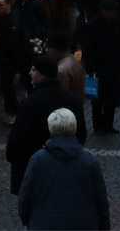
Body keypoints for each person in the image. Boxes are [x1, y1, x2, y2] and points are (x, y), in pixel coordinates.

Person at [16, 108, 110, 230]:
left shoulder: (37, 160)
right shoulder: (89, 160)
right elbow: (100, 198)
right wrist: (104, 225)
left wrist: (28, 220)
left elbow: (25, 196)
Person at [8, 55, 88, 194]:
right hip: (65, 166)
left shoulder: (30, 103)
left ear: (43, 75)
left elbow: (18, 138)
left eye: (33, 70)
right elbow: (81, 133)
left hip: (34, 168)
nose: (30, 73)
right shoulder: (72, 100)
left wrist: (13, 157)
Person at [81, 0, 120, 133]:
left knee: (111, 98)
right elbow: (88, 48)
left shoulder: (117, 23)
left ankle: (108, 124)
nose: (114, 13)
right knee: (97, 99)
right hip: (99, 67)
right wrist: (90, 68)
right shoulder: (93, 25)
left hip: (113, 66)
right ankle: (98, 126)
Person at [0, 0, 24, 115]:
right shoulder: (3, 17)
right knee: (7, 83)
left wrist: (4, 53)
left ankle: (13, 110)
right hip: (5, 56)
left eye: (2, 5)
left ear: (9, 4)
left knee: (7, 83)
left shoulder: (13, 18)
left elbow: (13, 39)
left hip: (10, 56)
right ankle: (11, 109)